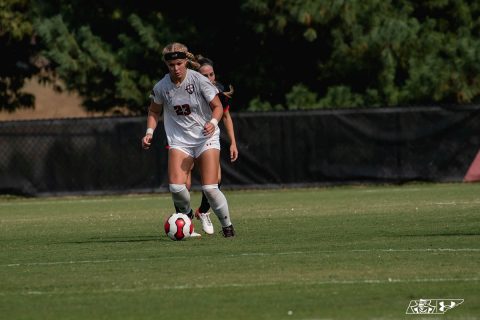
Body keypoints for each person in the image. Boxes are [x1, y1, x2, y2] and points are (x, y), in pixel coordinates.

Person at [142, 42, 235, 238]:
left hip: (205, 138)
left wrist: (212, 122)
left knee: (210, 188)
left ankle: (227, 226)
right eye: (171, 65)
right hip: (180, 141)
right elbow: (153, 110)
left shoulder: (199, 80)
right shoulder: (161, 87)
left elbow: (218, 107)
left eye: (179, 64)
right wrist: (149, 131)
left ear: (186, 61)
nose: (175, 68)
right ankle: (187, 216)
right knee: (176, 187)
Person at [190, 56, 238, 235]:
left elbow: (226, 117)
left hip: (207, 139)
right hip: (188, 138)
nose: (210, 79)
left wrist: (233, 142)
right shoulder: (189, 91)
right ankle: (184, 220)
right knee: (184, 181)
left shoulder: (218, 91)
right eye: (205, 75)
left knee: (215, 181)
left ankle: (203, 211)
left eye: (211, 74)